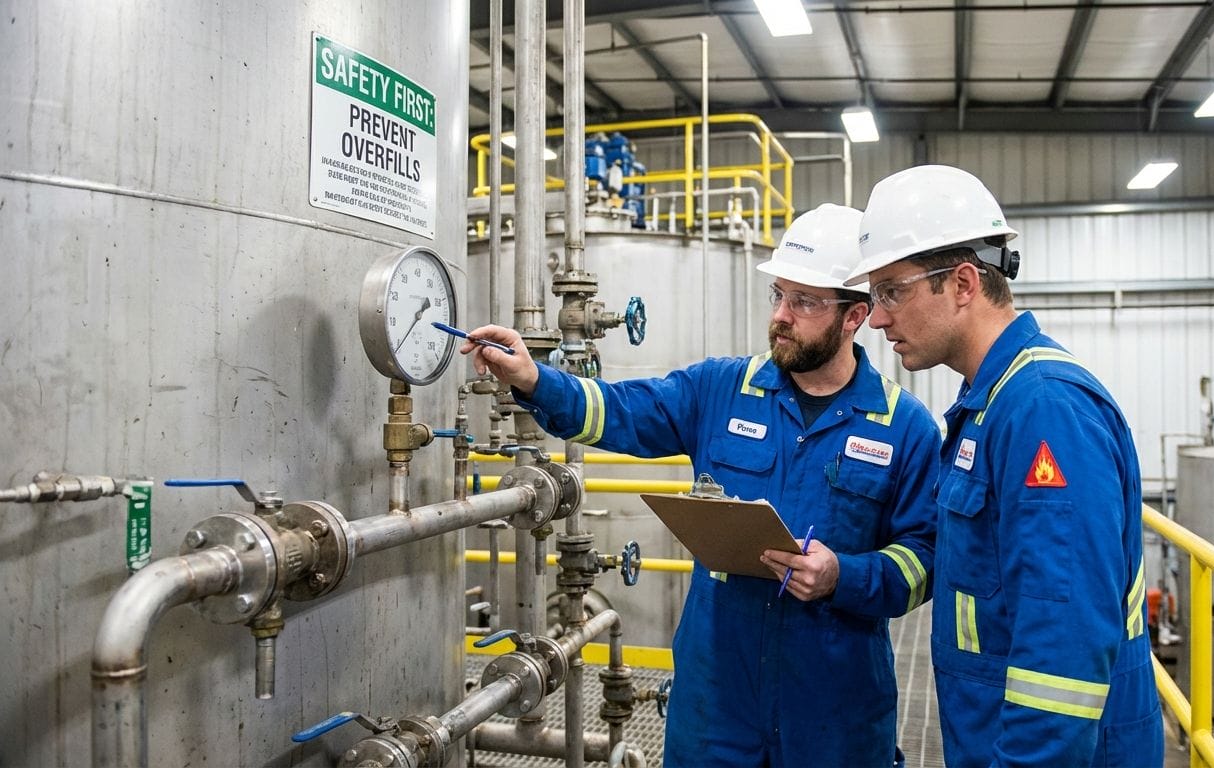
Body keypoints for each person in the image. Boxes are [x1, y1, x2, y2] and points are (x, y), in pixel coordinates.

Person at [460, 203, 942, 768]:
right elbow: (618, 410)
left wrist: (845, 576)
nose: (782, 315)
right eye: (779, 296)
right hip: (717, 704)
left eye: (805, 302)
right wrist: (534, 379)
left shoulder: (903, 426)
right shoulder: (720, 388)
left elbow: (925, 560)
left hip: (836, 710)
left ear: (855, 316)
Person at [845, 164, 1164, 767]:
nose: (878, 317)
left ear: (962, 284)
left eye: (891, 291)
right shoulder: (990, 404)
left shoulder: (1043, 409)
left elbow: (1062, 653)